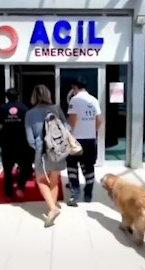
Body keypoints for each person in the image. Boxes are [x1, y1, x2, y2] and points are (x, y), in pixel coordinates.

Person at [25, 84, 67, 227]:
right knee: (54, 180)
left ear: (34, 97)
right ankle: (52, 208)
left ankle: (53, 209)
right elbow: (67, 127)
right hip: (57, 150)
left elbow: (30, 139)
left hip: (41, 151)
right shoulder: (56, 109)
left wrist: (38, 146)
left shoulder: (29, 114)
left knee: (41, 180)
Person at [66, 77, 103, 207]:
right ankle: (88, 193)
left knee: (72, 166)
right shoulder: (94, 100)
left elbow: (72, 120)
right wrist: (92, 131)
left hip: (76, 140)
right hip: (90, 139)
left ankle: (75, 192)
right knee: (89, 166)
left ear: (75, 87)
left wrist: (68, 134)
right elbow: (99, 120)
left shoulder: (75, 100)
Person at [0, 88, 33, 200]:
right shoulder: (24, 108)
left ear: (7, 97)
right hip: (21, 141)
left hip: (7, 141)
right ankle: (20, 185)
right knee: (25, 165)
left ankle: (8, 191)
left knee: (7, 168)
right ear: (17, 96)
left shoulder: (2, 108)